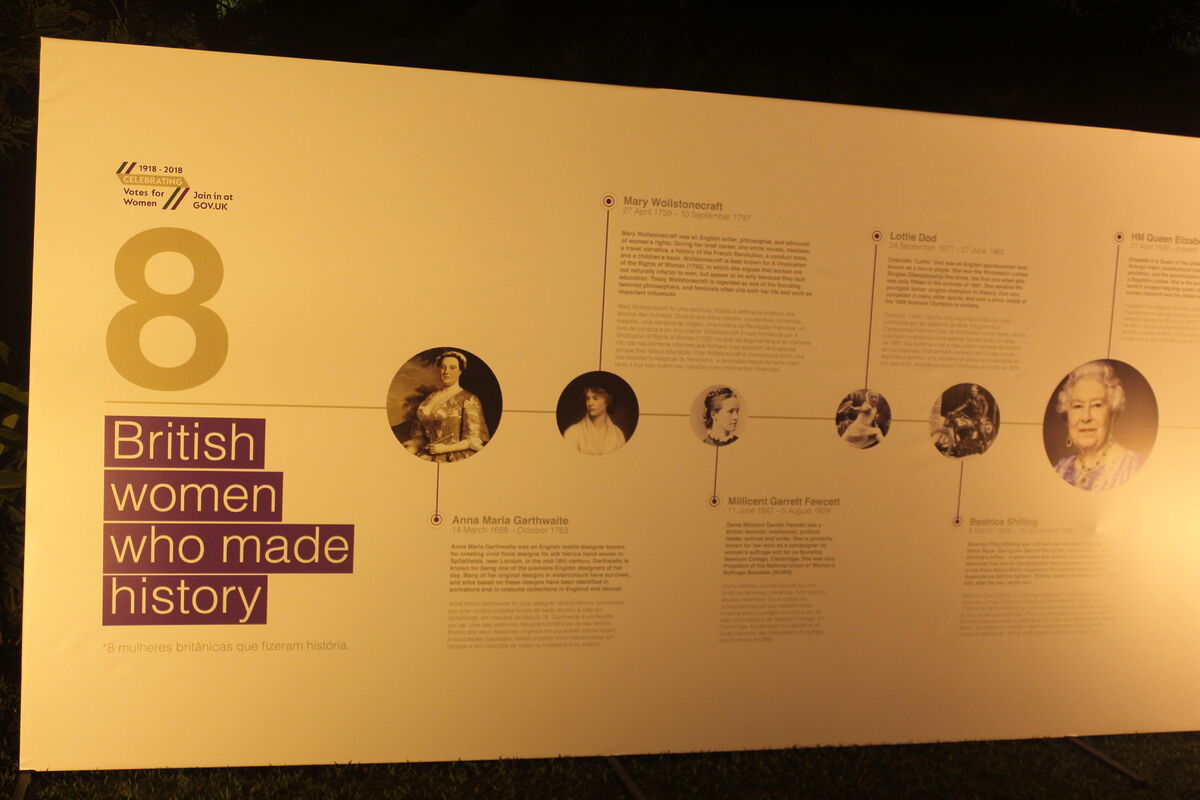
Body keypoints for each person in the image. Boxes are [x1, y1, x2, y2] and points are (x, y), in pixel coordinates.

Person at [1052, 361, 1141, 490]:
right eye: (1077, 406)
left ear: (1112, 413)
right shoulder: (1060, 469)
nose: (1086, 417)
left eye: (1096, 405)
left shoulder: (1132, 467)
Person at [403, 350, 489, 462]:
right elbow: (420, 438)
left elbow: (475, 439)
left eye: (452, 367)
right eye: (443, 367)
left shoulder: (469, 399)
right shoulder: (428, 399)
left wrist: (445, 448)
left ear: (460, 371)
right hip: (428, 456)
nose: (446, 372)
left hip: (455, 458)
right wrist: (411, 449)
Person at [563, 384, 626, 455]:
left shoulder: (618, 434)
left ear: (607, 401)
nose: (590, 403)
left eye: (595, 398)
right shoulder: (573, 432)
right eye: (587, 399)